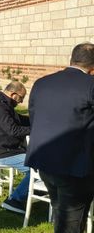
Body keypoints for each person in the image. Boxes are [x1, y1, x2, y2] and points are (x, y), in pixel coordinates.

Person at [26, 43, 94, 232]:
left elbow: (34, 117)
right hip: (75, 167)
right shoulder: (90, 84)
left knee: (61, 213)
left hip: (45, 160)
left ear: (72, 60)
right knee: (70, 222)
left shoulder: (42, 82)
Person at [0, 81, 30, 214]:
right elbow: (13, 130)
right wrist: (35, 129)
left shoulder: (1, 104)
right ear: (14, 95)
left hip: (2, 148)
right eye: (21, 98)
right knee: (37, 166)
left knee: (37, 163)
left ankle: (29, 190)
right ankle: (15, 200)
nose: (20, 102)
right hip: (0, 153)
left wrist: (37, 120)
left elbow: (18, 119)